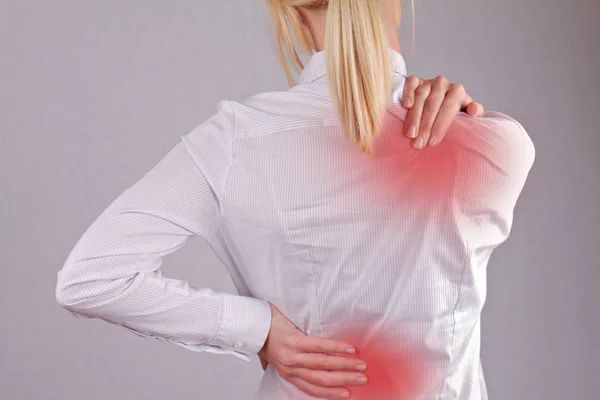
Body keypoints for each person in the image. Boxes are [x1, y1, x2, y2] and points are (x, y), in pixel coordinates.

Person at [55, 0, 535, 399]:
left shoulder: (234, 141)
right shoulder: (497, 147)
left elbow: (90, 278)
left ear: (287, 9)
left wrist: (258, 328)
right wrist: (472, 116)